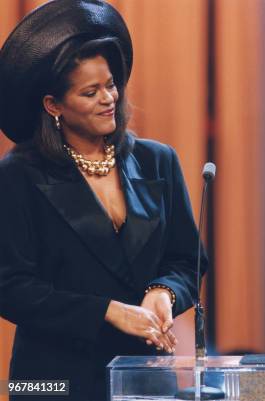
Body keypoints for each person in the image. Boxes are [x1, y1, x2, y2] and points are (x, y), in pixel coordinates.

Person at [0, 1, 204, 400]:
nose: (109, 98)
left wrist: (164, 291)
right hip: (49, 378)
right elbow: (10, 287)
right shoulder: (17, 174)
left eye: (111, 84)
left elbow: (188, 260)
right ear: (53, 106)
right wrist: (108, 311)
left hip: (141, 371)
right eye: (90, 92)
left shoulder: (157, 159)